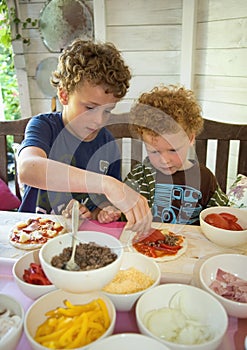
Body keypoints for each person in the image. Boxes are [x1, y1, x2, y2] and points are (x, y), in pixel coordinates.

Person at [17, 39, 152, 234]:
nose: (98, 121)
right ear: (64, 96)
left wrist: (103, 211)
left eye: (107, 111)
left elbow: (101, 204)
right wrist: (107, 184)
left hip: (79, 239)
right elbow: (27, 168)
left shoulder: (107, 144)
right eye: (90, 108)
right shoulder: (44, 126)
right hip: (31, 234)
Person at [97, 84, 229, 225]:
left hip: (193, 245)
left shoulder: (205, 178)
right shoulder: (140, 176)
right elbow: (123, 210)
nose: (165, 160)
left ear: (190, 138)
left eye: (173, 150)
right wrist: (112, 212)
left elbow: (224, 215)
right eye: (154, 151)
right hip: (147, 243)